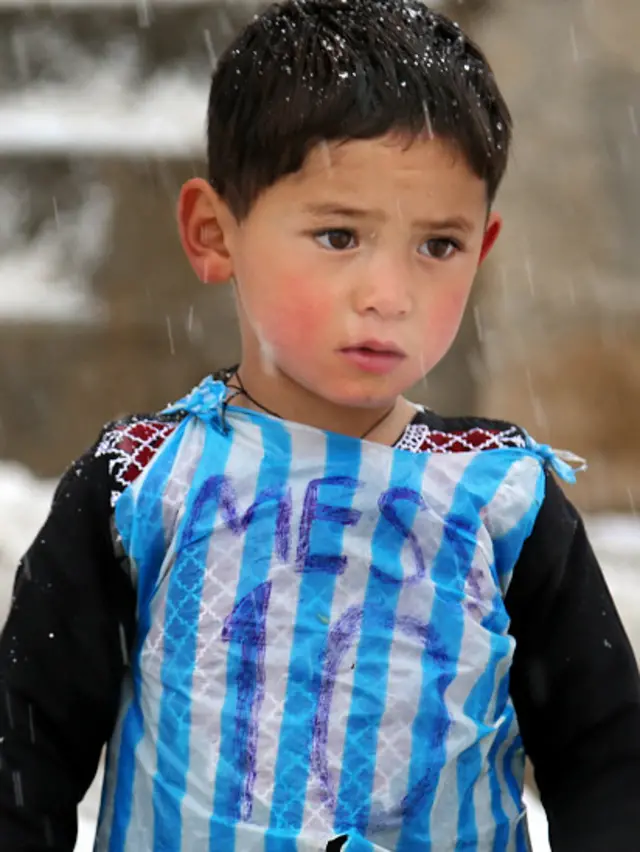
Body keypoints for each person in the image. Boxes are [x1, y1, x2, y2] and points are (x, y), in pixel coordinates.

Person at [1, 1, 639, 850]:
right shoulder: (143, 485)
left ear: (483, 249)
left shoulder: (500, 502)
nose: (389, 293)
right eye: (340, 235)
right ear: (212, 233)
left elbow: (607, 761)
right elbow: (26, 755)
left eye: (437, 246)